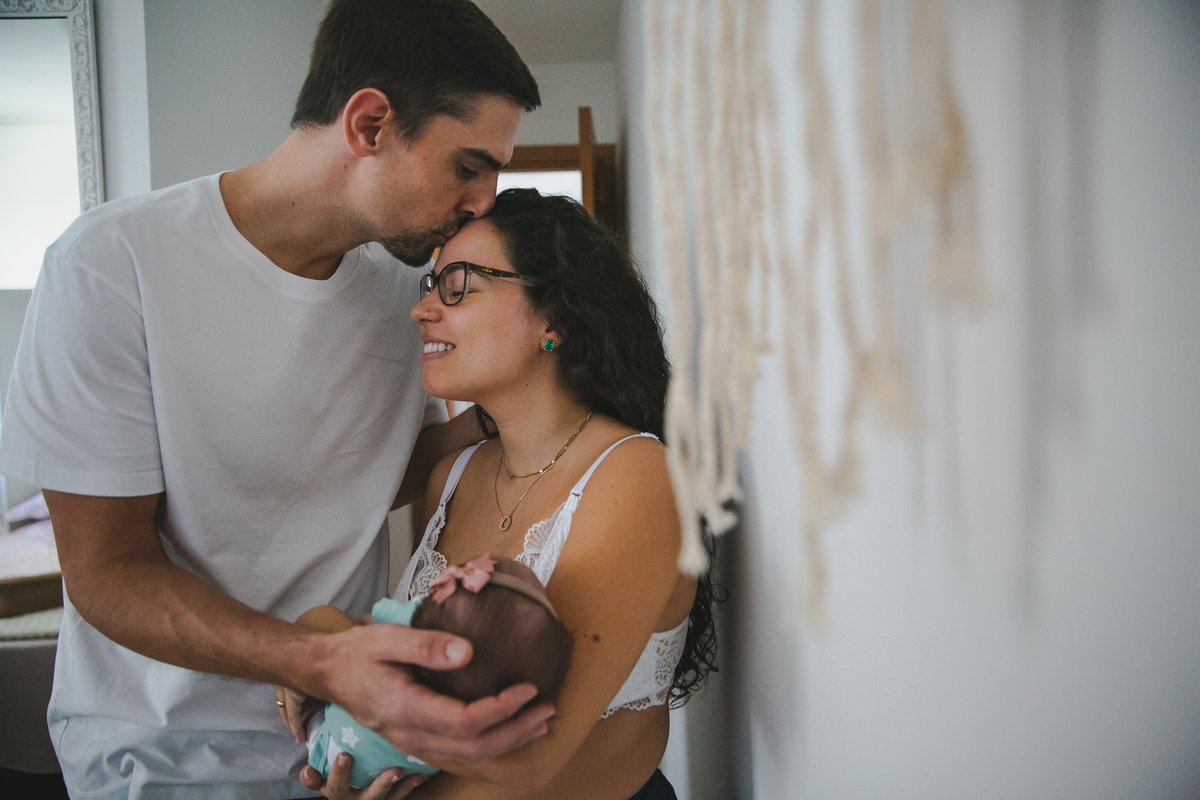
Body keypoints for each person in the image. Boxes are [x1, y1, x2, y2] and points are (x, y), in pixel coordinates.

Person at [0, 1, 554, 797]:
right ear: (368, 123)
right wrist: (320, 659)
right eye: (469, 166)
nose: (483, 201)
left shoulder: (411, 295)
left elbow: (376, 470)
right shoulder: (110, 267)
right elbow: (108, 571)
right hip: (158, 754)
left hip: (353, 744)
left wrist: (537, 401)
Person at [301, 188, 720, 800]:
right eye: (430, 285)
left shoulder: (635, 474)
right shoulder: (454, 476)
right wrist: (316, 650)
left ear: (553, 317)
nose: (423, 310)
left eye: (459, 285)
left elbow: (529, 762)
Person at [291, 556, 573, 791]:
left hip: (328, 738)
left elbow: (371, 617)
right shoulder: (476, 730)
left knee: (324, 642)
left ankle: (310, 715)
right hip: (378, 778)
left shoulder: (417, 629)